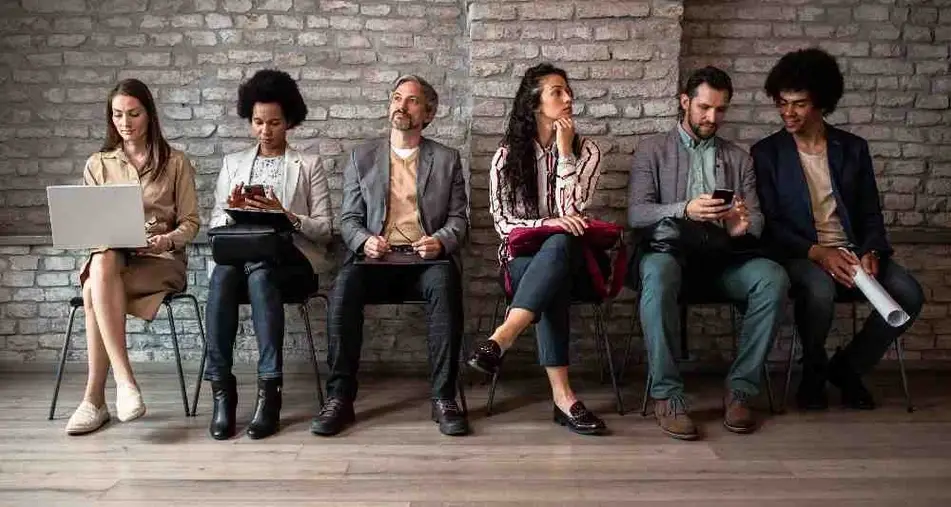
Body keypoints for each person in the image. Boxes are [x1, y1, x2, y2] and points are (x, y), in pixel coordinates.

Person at [752, 48, 924, 411]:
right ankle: (813, 370)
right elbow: (771, 225)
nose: (788, 112)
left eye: (798, 104)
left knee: (909, 294)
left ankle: (848, 369)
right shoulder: (766, 153)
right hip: (802, 253)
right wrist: (818, 253)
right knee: (818, 291)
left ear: (821, 104)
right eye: (782, 103)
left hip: (854, 253)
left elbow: (870, 213)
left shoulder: (853, 149)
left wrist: (871, 251)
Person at [628, 67, 789, 440]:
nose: (711, 118)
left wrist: (740, 227)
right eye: (704, 108)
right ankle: (667, 396)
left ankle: (741, 390)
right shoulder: (652, 149)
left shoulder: (739, 159)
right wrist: (684, 208)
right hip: (668, 253)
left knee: (772, 278)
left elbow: (758, 218)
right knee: (657, 272)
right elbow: (637, 213)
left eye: (720, 110)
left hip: (722, 258)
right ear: (685, 102)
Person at [310, 75, 470, 437]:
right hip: (375, 261)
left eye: (412, 101)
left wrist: (441, 241)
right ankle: (340, 398)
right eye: (396, 98)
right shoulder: (361, 156)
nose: (401, 105)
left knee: (446, 281)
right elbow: (349, 219)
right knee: (345, 283)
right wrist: (364, 240)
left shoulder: (446, 159)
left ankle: (444, 397)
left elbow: (459, 219)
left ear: (428, 113)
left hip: (425, 260)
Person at [466, 63, 606, 435]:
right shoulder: (506, 157)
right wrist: (547, 225)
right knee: (551, 267)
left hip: (576, 263)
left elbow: (572, 213)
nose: (568, 98)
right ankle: (564, 398)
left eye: (568, 90)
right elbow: (503, 225)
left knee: (561, 245)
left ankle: (503, 337)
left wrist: (564, 154)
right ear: (533, 104)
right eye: (557, 92)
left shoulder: (586, 151)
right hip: (521, 263)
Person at [65, 79, 200, 435]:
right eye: (118, 115)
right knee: (103, 258)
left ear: (149, 114)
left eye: (134, 114)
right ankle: (125, 382)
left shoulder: (175, 163)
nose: (126, 123)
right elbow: (89, 225)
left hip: (160, 263)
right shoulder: (97, 164)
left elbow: (191, 222)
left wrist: (165, 240)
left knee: (94, 289)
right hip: (114, 260)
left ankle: (94, 400)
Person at [204, 69, 333, 440]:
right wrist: (231, 211)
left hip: (293, 264)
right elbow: (215, 221)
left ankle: (270, 392)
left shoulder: (308, 165)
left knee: (260, 271)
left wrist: (286, 214)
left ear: (289, 121)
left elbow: (325, 230)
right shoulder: (233, 164)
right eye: (258, 122)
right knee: (225, 274)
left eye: (274, 122)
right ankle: (222, 392)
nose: (265, 130)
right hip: (243, 261)